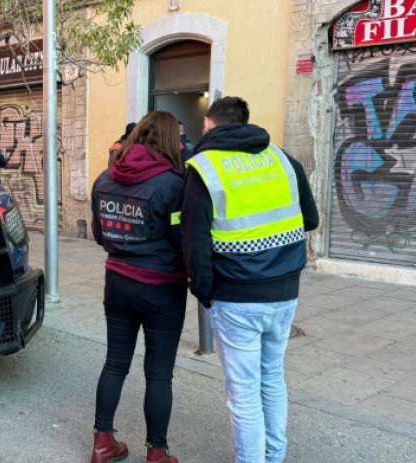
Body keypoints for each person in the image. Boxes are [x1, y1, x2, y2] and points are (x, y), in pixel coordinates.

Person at [180, 97, 319, 463]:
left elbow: (193, 242)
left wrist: (204, 291)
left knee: (242, 394)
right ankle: (274, 457)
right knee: (271, 379)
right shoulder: (282, 159)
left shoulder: (204, 167)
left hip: (236, 296)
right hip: (285, 291)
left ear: (209, 126)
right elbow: (311, 219)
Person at [90, 111, 186, 463]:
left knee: (115, 363)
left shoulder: (104, 178)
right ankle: (156, 453)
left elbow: (100, 234)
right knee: (159, 374)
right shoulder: (174, 184)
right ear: (168, 141)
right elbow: (183, 240)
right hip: (162, 288)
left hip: (117, 281)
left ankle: (102, 443)